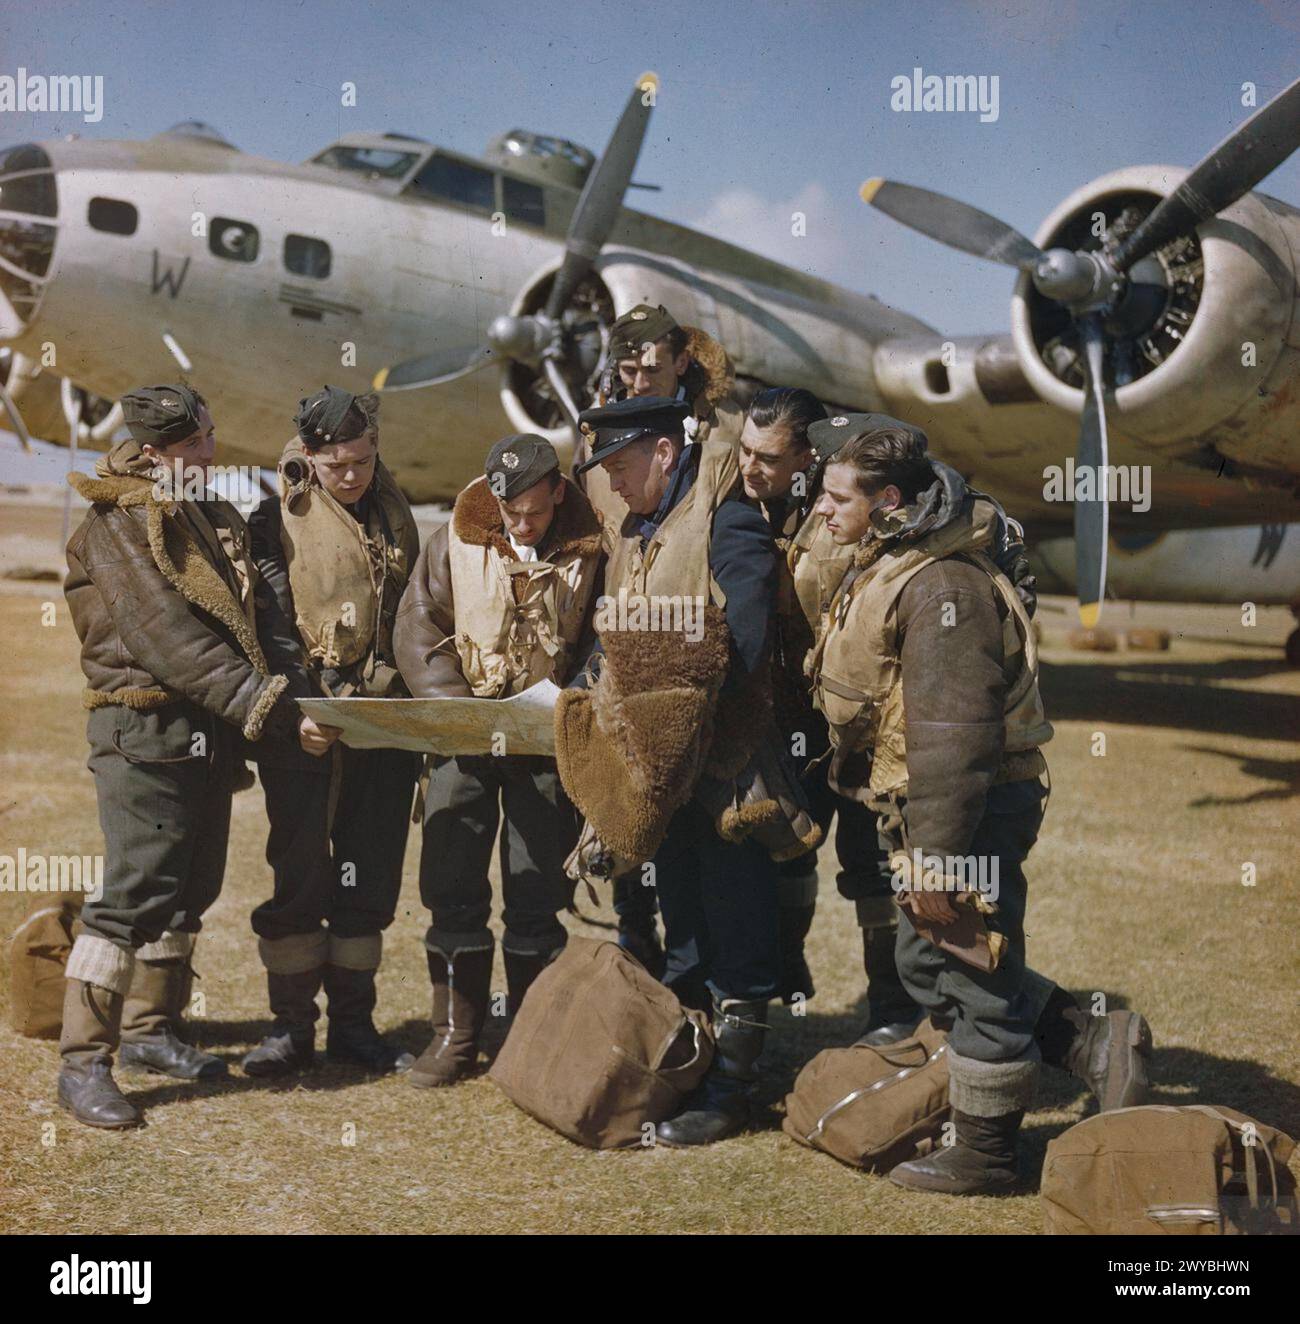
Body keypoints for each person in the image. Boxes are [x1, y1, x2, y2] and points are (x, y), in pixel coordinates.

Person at [807, 415, 1153, 1193]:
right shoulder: (894, 555)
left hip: (967, 807)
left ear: (887, 499)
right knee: (930, 961)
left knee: (971, 967)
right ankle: (1097, 1042)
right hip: (930, 803)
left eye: (836, 498)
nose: (821, 511)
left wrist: (937, 858)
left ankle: (990, 1154)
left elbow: (955, 737)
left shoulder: (943, 587)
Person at [59, 384, 307, 1127]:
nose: (210, 453)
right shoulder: (119, 522)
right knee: (131, 897)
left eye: (209, 437)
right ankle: (81, 1065)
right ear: (155, 450)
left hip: (203, 733)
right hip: (144, 735)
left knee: (187, 889)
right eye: (194, 444)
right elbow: (167, 638)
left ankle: (148, 1031)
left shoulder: (194, 506)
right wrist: (263, 704)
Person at [562, 396, 793, 1146]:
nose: (614, 487)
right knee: (685, 924)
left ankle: (732, 1091)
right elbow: (617, 633)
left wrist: (687, 728)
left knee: (737, 925)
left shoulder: (726, 520)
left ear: (664, 453)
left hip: (724, 769)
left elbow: (750, 645)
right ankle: (691, 1068)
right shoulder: (636, 529)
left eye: (622, 468)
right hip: (662, 777)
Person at [393, 434, 603, 1087]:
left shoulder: (594, 545)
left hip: (545, 740)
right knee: (452, 887)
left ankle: (530, 1041)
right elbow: (419, 626)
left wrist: (573, 700)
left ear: (558, 493)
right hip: (466, 736)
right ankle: (455, 1036)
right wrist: (459, 714)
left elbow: (605, 637)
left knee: (537, 892)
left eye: (534, 512)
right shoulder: (455, 536)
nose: (521, 523)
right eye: (510, 511)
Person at [243, 387, 422, 1077]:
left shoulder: (394, 512)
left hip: (384, 728)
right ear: (309, 455)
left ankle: (354, 1026)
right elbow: (269, 627)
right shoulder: (274, 520)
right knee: (299, 875)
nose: (352, 476)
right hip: (305, 730)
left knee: (368, 876)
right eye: (337, 464)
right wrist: (300, 711)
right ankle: (291, 1030)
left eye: (364, 461)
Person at [739, 389, 921, 1041]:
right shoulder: (752, 507)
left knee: (871, 859)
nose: (754, 467)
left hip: (859, 721)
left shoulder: (850, 512)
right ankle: (788, 976)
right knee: (788, 846)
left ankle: (895, 1007)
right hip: (794, 719)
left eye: (774, 456)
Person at [571, 302, 744, 974]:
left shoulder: (723, 434)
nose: (637, 377)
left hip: (690, 638)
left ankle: (706, 978)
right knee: (624, 811)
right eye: (626, 366)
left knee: (695, 836)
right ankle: (635, 947)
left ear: (681, 362)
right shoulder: (598, 435)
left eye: (650, 365)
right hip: (617, 633)